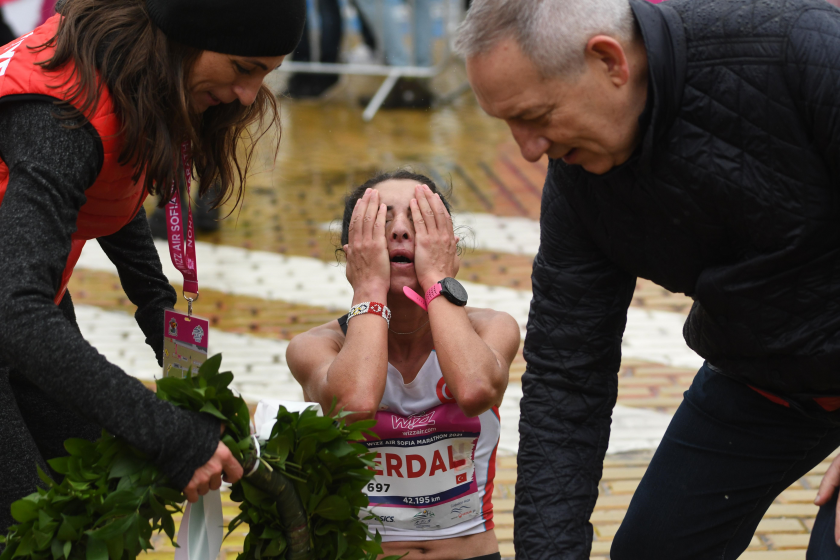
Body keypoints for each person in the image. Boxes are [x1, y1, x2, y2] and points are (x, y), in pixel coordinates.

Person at [457, 0, 840, 558]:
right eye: (507, 125)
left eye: (535, 116)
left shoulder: (802, 48)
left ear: (609, 62)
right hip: (764, 376)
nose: (528, 150)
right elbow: (569, 379)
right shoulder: (578, 180)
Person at [0, 0, 305, 535]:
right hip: (16, 306)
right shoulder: (60, 119)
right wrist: (170, 435)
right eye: (243, 68)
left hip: (21, 292)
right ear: (184, 38)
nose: (249, 95)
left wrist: (162, 320)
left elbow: (106, 193)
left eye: (267, 74)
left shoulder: (120, 68)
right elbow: (16, 315)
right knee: (27, 524)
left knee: (93, 496)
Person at [286, 171, 520, 560]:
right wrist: (368, 290)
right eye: (380, 221)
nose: (398, 231)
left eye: (418, 220)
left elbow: (475, 388)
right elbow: (356, 403)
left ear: (450, 247)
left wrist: (438, 281)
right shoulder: (315, 347)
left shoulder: (491, 327)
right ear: (351, 252)